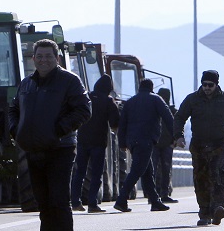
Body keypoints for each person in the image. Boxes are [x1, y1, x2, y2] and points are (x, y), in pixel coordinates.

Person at [8, 39, 91, 231]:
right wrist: (16, 129)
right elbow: (13, 109)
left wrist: (58, 130)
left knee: (59, 200)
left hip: (60, 148)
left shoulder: (69, 81)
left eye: (48, 56)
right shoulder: (26, 84)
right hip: (34, 149)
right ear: (33, 59)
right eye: (40, 56)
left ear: (57, 59)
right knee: (43, 202)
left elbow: (84, 110)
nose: (44, 60)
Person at [174, 70, 224, 226]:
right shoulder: (192, 99)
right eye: (204, 85)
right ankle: (204, 213)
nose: (206, 88)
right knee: (201, 180)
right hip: (199, 146)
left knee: (219, 178)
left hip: (219, 146)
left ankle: (218, 207)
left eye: (210, 85)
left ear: (216, 84)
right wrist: (179, 136)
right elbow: (179, 117)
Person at [114, 79, 175, 213]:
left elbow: (122, 123)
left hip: (132, 141)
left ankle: (155, 201)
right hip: (146, 140)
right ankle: (121, 199)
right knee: (137, 171)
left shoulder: (130, 102)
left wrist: (123, 143)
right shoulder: (156, 99)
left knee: (147, 172)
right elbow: (168, 117)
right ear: (151, 88)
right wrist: (176, 135)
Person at [70, 74, 120, 213]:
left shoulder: (87, 98)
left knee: (80, 172)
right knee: (96, 173)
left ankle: (75, 202)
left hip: (82, 140)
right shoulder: (108, 101)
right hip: (98, 141)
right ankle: (92, 204)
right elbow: (115, 123)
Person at [152, 87, 178, 204]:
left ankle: (160, 193)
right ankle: (159, 193)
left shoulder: (169, 110)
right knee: (163, 169)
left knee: (162, 169)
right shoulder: (166, 110)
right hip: (159, 144)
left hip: (163, 144)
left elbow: (177, 127)